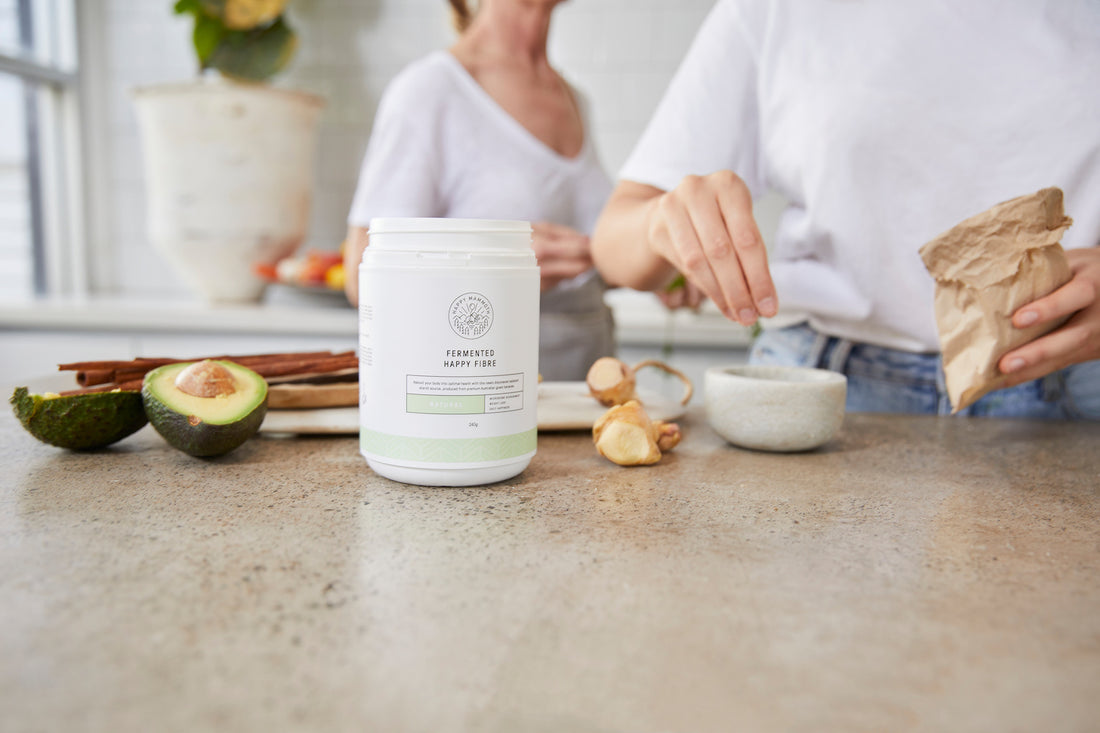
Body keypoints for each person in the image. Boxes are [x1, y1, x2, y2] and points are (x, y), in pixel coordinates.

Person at [592, 0, 1100, 418]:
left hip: (1075, 380)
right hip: (822, 388)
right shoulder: (774, 11)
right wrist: (662, 222)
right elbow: (614, 242)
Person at [344, 0, 615, 381]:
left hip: (585, 393)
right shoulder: (430, 90)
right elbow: (362, 278)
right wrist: (499, 265)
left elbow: (586, 256)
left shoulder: (573, 97)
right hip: (480, 398)